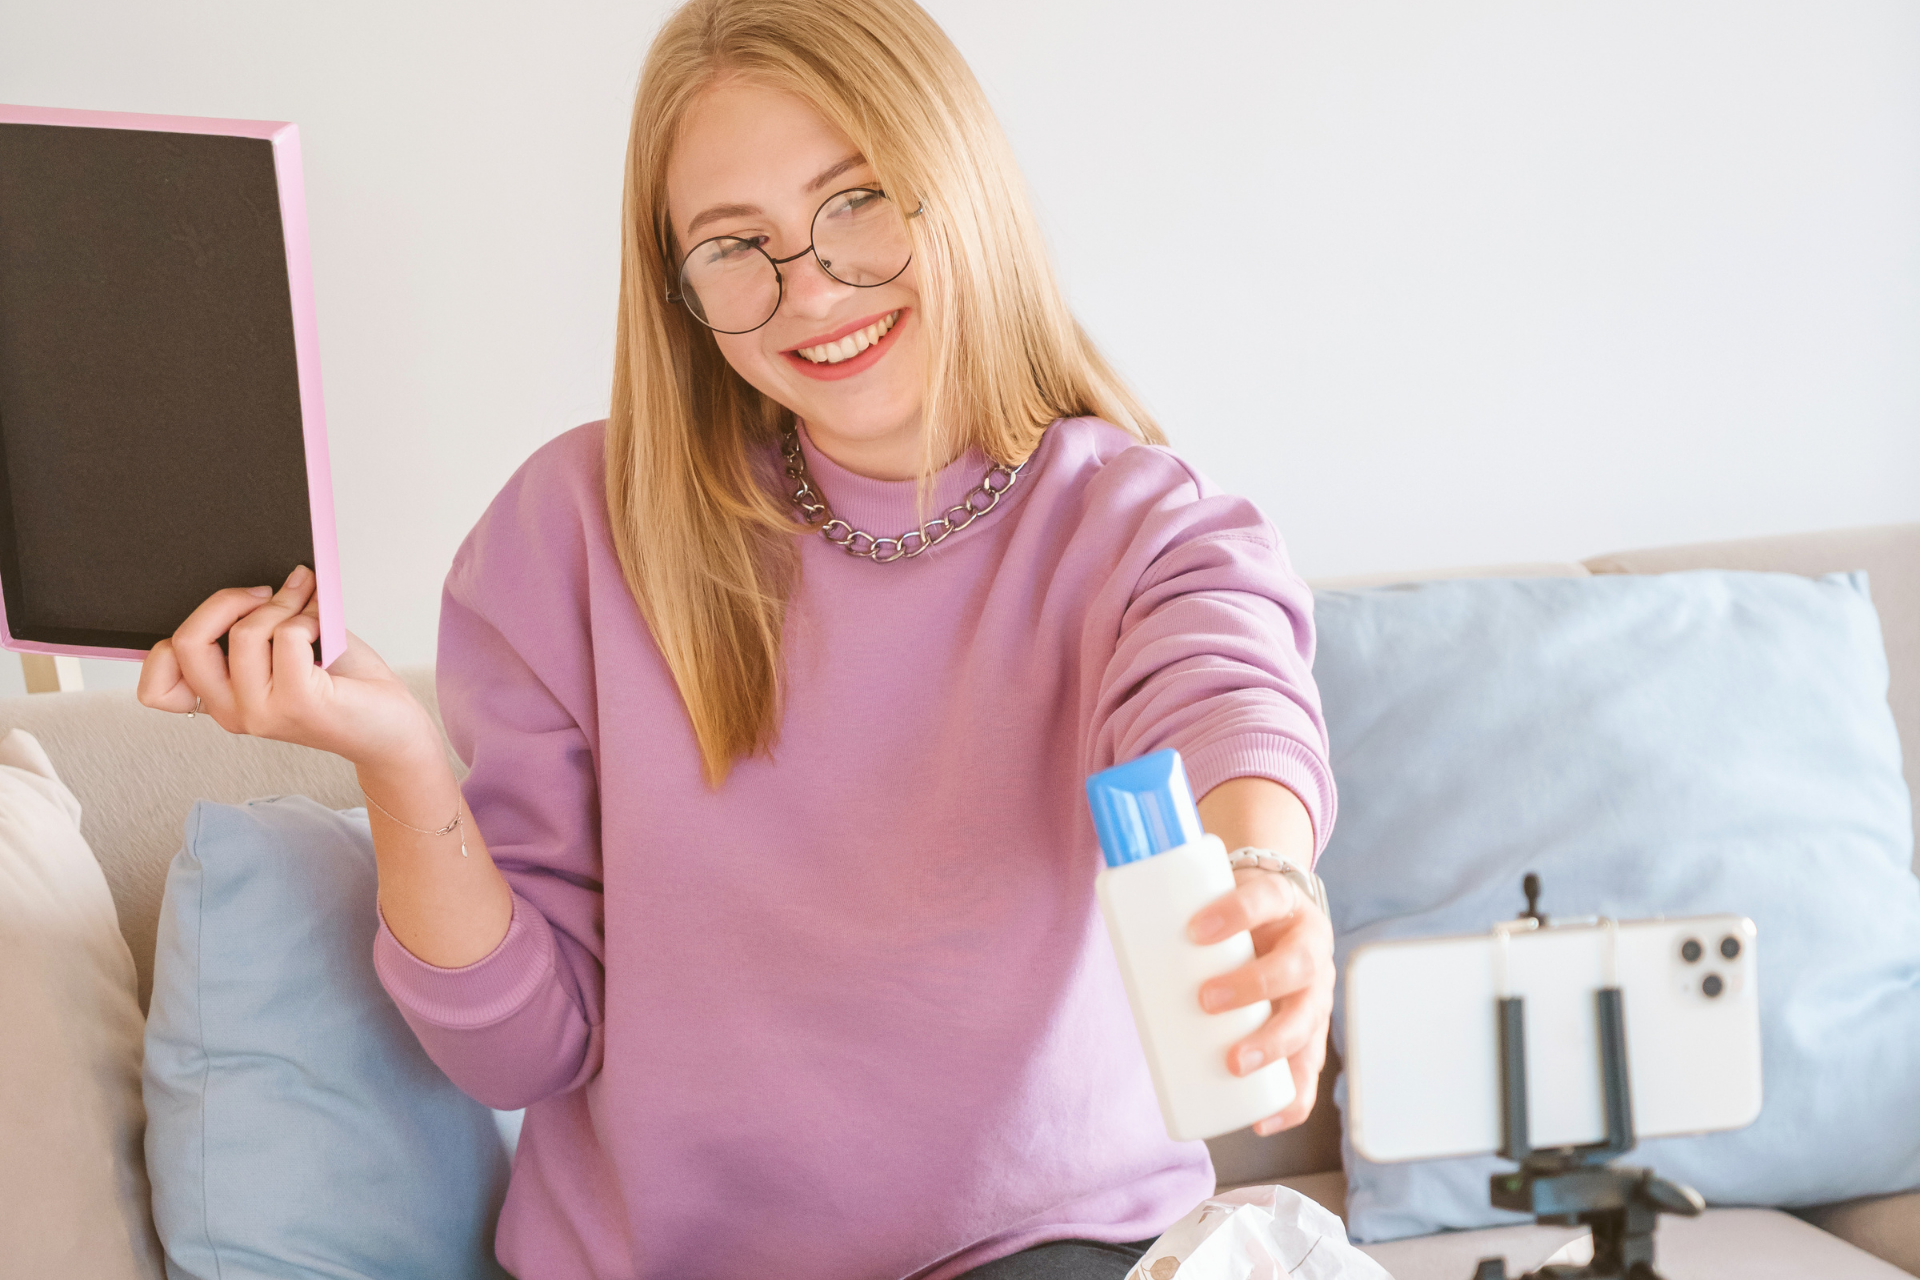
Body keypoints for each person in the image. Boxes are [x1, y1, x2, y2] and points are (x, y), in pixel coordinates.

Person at [136, 1, 1338, 1276]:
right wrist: (396, 758)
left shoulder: (1125, 519)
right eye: (733, 244)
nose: (810, 285)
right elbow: (519, 1049)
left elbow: (1223, 680)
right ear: (677, 286)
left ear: (961, 182)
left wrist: (1263, 877)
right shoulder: (571, 535)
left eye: (858, 199)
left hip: (1044, 1246)